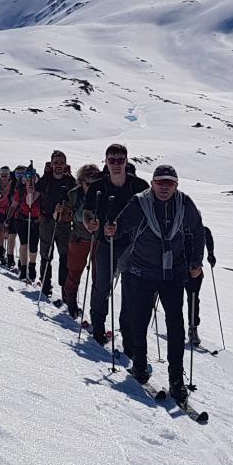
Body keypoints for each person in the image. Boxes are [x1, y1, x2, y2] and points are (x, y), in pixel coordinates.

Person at [110, 164, 206, 399]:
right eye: (160, 182)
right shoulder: (139, 202)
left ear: (176, 185)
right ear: (152, 183)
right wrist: (110, 230)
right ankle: (140, 366)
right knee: (139, 322)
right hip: (142, 272)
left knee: (176, 328)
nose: (164, 187)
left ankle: (176, 380)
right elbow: (120, 227)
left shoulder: (185, 204)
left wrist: (196, 262)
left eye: (169, 183)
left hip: (173, 274)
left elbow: (198, 231)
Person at [82, 143, 147, 345]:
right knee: (102, 286)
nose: (116, 164)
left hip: (133, 246)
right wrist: (89, 223)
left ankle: (128, 335)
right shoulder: (97, 187)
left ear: (126, 161)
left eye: (120, 160)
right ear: (106, 162)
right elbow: (87, 211)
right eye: (112, 160)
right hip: (105, 242)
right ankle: (98, 328)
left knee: (131, 291)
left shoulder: (140, 187)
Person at [59, 164, 100, 317]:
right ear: (81, 181)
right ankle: (71, 303)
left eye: (94, 183)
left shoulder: (101, 193)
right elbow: (65, 216)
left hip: (97, 240)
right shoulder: (74, 195)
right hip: (79, 237)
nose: (91, 187)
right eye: (88, 183)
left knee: (98, 277)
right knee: (74, 271)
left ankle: (96, 310)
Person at [35, 150, 77, 299]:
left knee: (65, 257)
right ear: (51, 164)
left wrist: (66, 209)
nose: (58, 165)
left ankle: (65, 290)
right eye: (56, 162)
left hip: (64, 224)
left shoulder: (71, 181)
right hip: (47, 222)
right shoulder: (45, 180)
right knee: (46, 255)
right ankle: (45, 286)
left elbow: (76, 201)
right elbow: (35, 197)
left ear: (65, 164)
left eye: (61, 162)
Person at [8, 166, 43, 281]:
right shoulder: (21, 190)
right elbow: (14, 205)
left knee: (33, 247)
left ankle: (32, 265)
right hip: (22, 219)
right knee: (24, 244)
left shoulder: (40, 189)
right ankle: (24, 269)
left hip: (35, 220)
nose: (29, 179)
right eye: (27, 177)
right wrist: (9, 217)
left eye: (31, 177)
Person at [187, 225, 215, 347]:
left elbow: (209, 240)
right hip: (180, 269)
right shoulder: (180, 228)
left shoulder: (204, 230)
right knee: (188, 299)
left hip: (195, 270)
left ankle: (193, 328)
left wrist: (211, 254)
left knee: (193, 298)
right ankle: (180, 328)